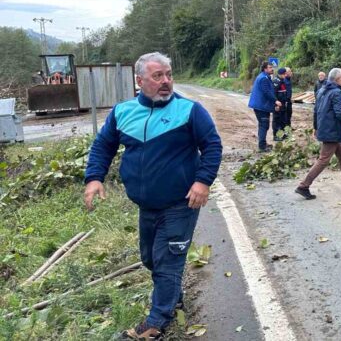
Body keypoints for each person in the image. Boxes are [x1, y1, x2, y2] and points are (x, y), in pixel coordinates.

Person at [83, 52, 222, 340]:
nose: (166, 81)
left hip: (181, 203)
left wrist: (202, 182)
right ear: (140, 81)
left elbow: (212, 145)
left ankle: (156, 322)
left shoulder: (189, 111)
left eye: (169, 74)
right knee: (150, 259)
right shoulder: (123, 112)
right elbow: (102, 146)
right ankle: (174, 297)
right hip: (146, 206)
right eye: (158, 76)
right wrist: (94, 177)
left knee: (168, 261)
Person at [295, 68, 341, 200]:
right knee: (323, 160)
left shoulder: (322, 90)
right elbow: (339, 113)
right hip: (331, 130)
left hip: (327, 129)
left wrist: (316, 127)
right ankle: (303, 186)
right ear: (338, 79)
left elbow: (316, 111)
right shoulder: (337, 92)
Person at [249, 61, 281, 152]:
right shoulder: (264, 79)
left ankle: (262, 143)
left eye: (272, 67)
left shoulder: (264, 77)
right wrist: (276, 101)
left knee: (262, 125)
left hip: (260, 105)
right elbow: (267, 92)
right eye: (270, 67)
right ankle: (262, 146)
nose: (272, 69)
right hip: (261, 106)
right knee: (264, 125)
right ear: (265, 69)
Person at [272, 67, 290, 140]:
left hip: (282, 104)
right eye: (285, 74)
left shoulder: (282, 81)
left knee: (283, 120)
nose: (286, 75)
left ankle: (282, 135)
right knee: (277, 120)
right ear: (281, 74)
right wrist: (276, 104)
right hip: (278, 104)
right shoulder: (276, 81)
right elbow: (273, 94)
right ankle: (276, 136)